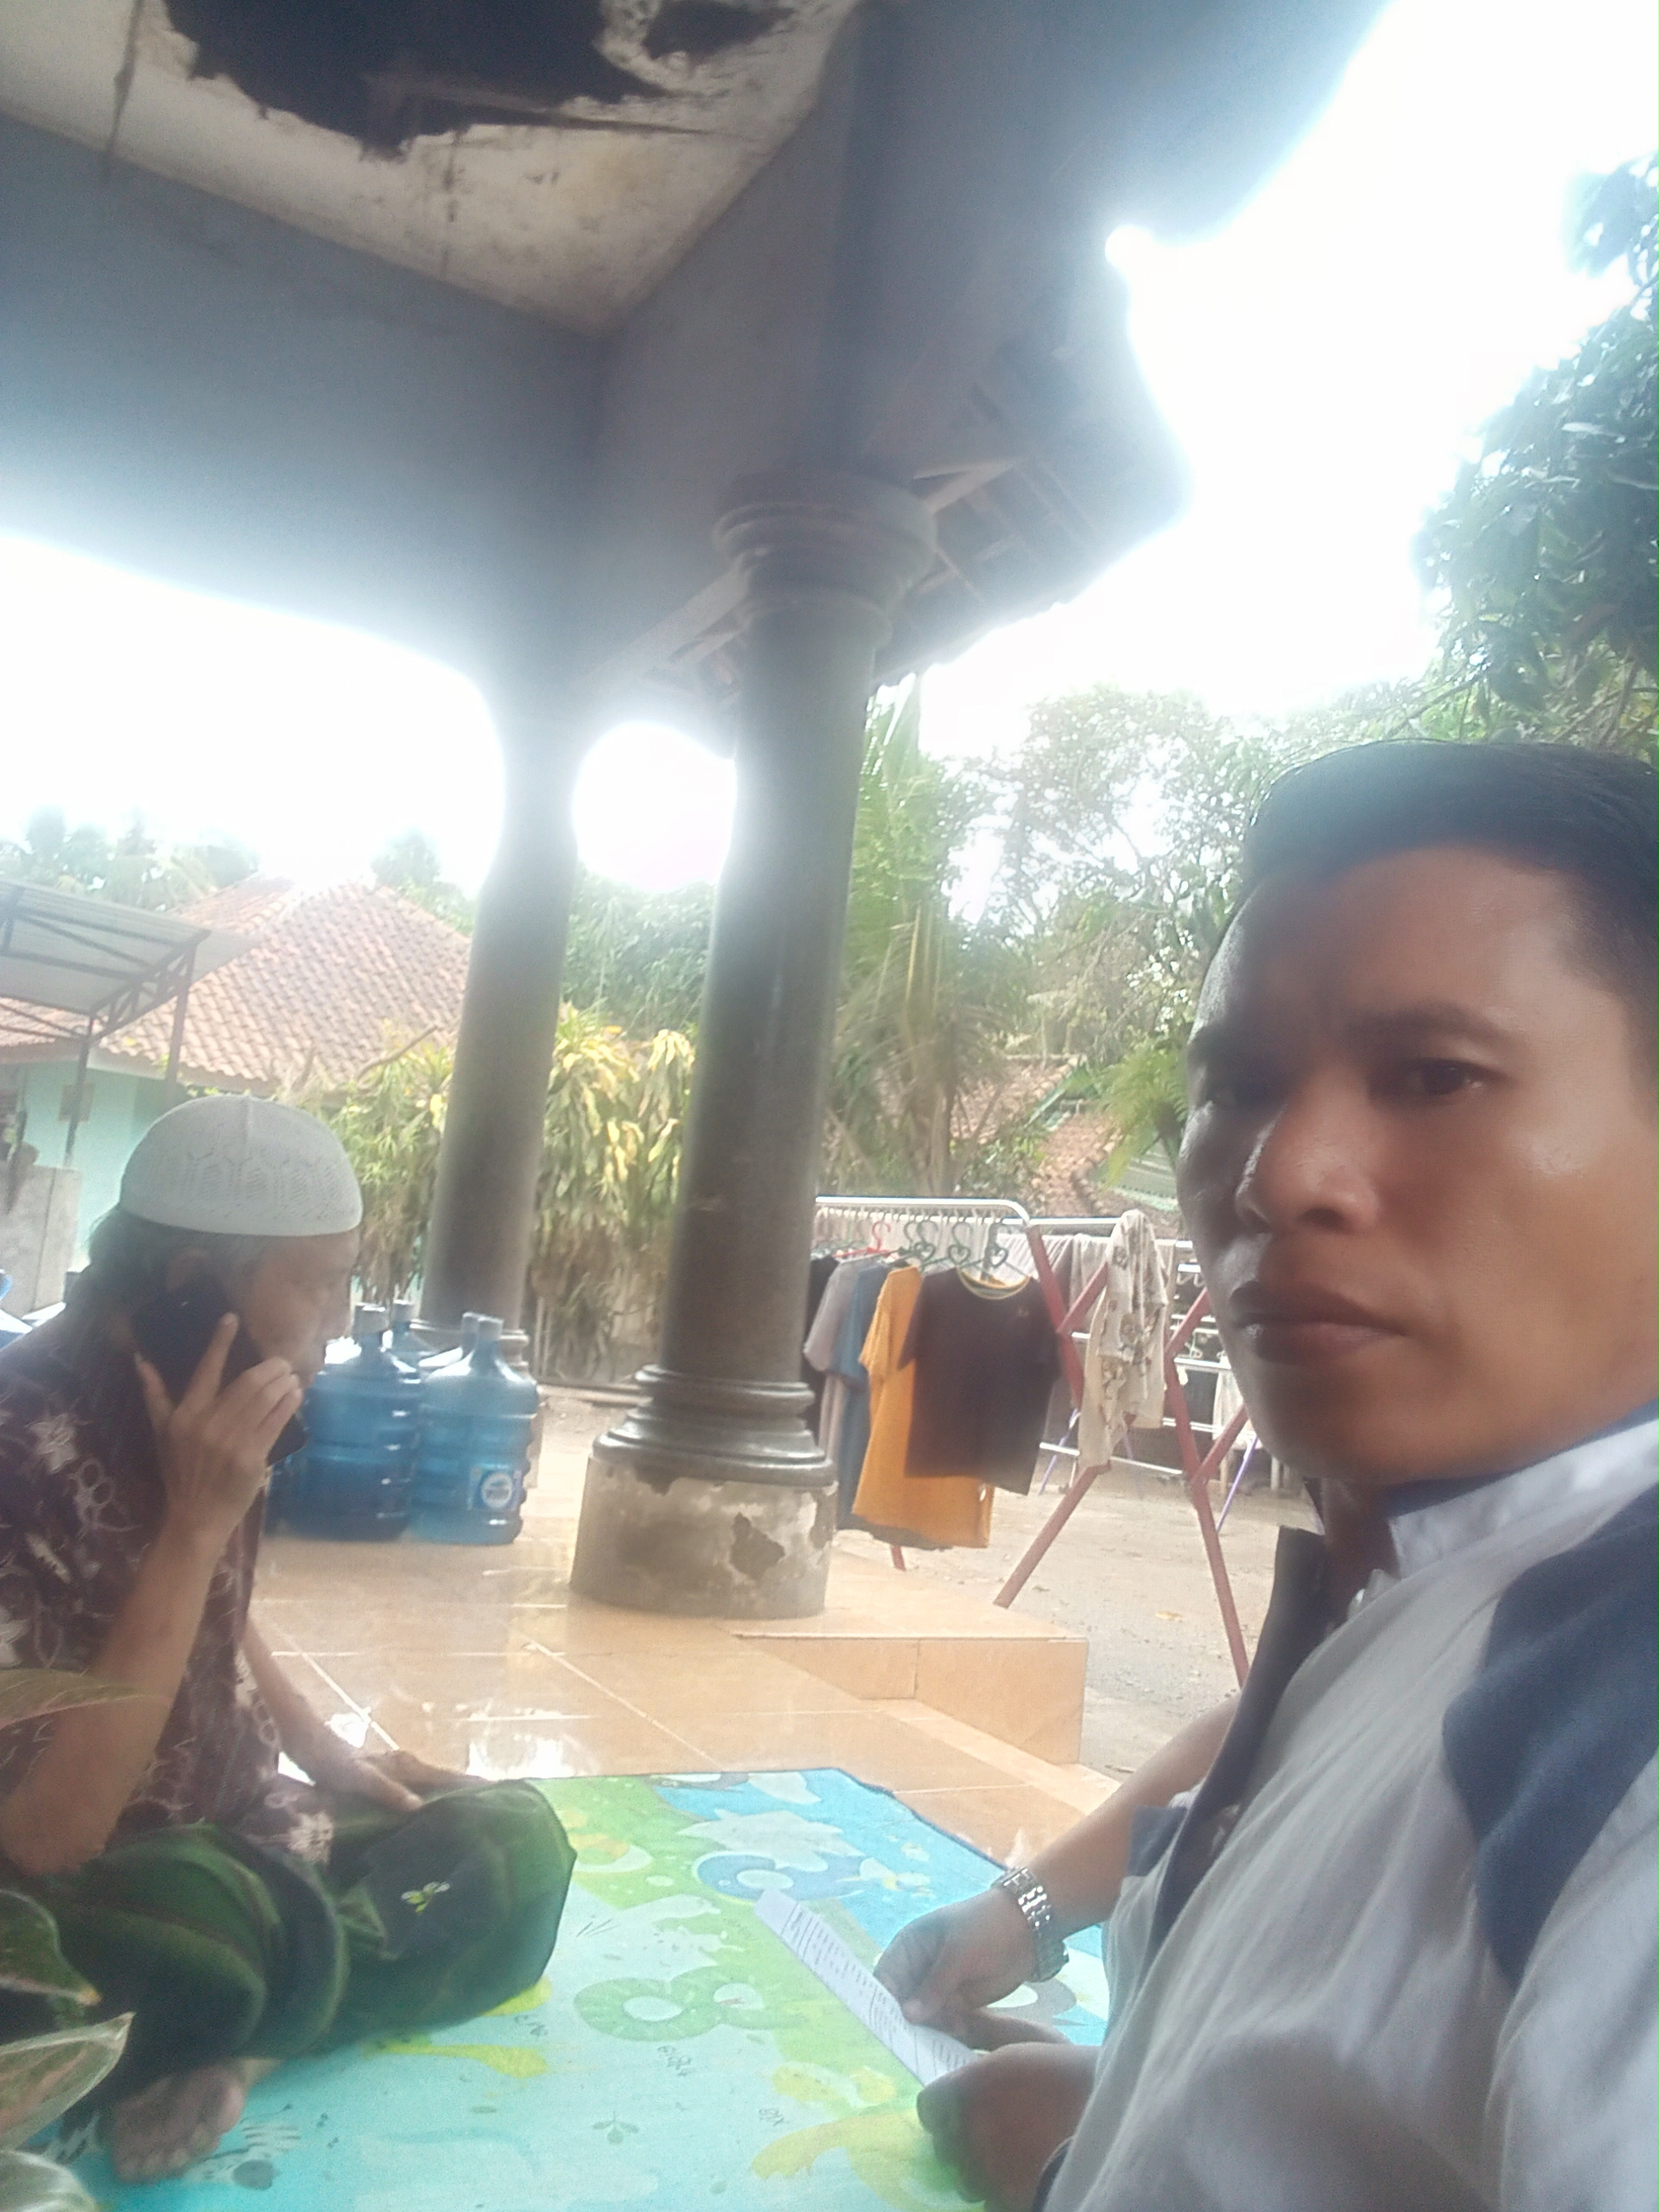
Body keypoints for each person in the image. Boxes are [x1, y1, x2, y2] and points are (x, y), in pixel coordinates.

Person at [884, 741, 1659, 2211]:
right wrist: (1117, 2107)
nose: (1276, 1172)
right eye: (1236, 1086)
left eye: (1431, 1076)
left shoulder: (1617, 1750)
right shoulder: (1451, 1577)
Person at [0, 1097, 574, 2185]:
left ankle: (246, 2040)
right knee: (188, 1929)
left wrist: (323, 1750)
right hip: (95, 1894)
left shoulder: (205, 1392)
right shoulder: (16, 1446)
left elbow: (223, 1606)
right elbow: (47, 1841)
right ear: (191, 1285)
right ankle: (270, 1987)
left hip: (249, 1832)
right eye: (319, 1282)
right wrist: (193, 1524)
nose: (336, 1320)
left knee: (515, 1840)